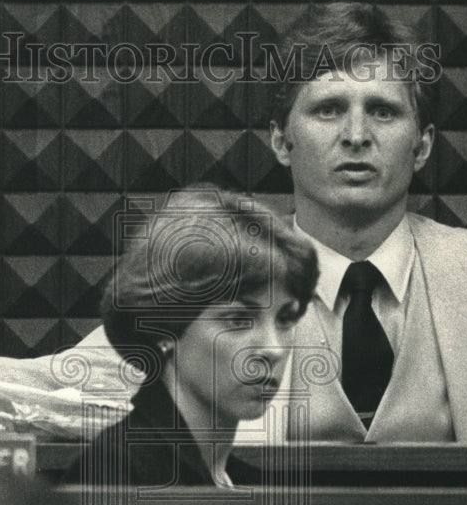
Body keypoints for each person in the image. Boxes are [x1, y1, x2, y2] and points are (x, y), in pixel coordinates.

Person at [0, 3, 467, 445]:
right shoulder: (209, 272)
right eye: (328, 110)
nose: (357, 135)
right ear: (280, 140)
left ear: (420, 145)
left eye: (382, 112)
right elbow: (68, 389)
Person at [62, 189, 319, 487]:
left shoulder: (249, 485)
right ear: (164, 327)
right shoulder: (113, 474)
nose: (273, 349)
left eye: (286, 319)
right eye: (238, 320)